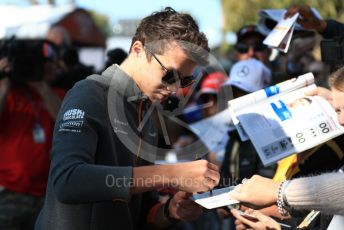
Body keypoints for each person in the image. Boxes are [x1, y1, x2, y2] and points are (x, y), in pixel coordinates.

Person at [35, 7, 220, 230]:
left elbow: (139, 212)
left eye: (185, 81)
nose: (175, 89)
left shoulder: (147, 114)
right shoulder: (88, 93)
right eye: (170, 75)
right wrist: (171, 174)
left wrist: (170, 211)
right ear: (138, 49)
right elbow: (67, 180)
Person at [229, 66, 344, 229]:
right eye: (337, 110)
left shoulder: (331, 152)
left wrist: (279, 192)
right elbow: (320, 220)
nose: (341, 120)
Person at [0, 40, 63, 230]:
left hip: (49, 194)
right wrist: (4, 81)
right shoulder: (8, 93)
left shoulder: (58, 93)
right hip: (8, 191)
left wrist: (41, 86)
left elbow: (64, 119)